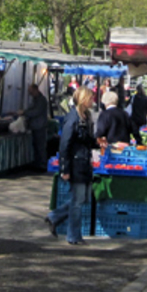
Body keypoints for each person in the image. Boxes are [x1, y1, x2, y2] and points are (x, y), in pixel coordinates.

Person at [46, 87, 98, 245]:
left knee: (83, 199)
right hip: (76, 164)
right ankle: (74, 235)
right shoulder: (73, 119)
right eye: (90, 98)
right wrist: (65, 169)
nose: (93, 101)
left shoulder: (86, 116)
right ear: (83, 99)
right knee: (77, 201)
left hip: (84, 162)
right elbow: (64, 145)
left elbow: (87, 140)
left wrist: (96, 142)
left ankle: (54, 217)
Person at [19, 84, 50, 171]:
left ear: (36, 90)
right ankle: (37, 164)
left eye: (31, 92)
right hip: (34, 126)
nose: (30, 94)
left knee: (40, 146)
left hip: (40, 126)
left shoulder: (42, 100)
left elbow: (36, 112)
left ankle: (42, 165)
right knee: (36, 146)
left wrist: (24, 113)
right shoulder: (34, 100)